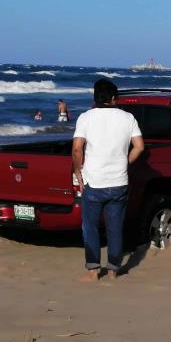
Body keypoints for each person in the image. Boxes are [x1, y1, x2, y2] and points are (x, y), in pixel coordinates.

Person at [72, 79, 144, 281]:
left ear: (95, 97)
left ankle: (93, 271)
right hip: (119, 181)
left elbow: (77, 148)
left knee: (90, 227)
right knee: (115, 227)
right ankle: (113, 269)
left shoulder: (86, 117)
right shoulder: (128, 117)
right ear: (114, 98)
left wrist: (78, 171)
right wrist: (125, 161)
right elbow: (139, 146)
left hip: (94, 181)